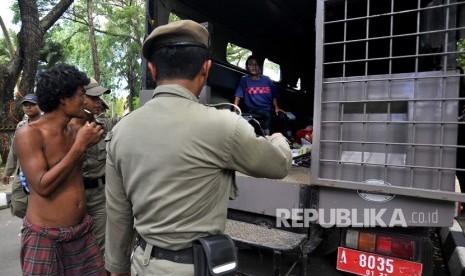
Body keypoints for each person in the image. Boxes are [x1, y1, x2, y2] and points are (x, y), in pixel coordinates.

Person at [104, 20, 292, 276]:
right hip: (196, 268)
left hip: (143, 264)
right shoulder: (224, 126)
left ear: (152, 69)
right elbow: (279, 164)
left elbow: (118, 214)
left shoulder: (120, 132)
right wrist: (278, 138)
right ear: (206, 68)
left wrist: (117, 269)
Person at [14, 64, 106, 275]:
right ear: (63, 98)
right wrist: (79, 147)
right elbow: (42, 186)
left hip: (82, 232)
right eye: (81, 95)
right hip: (45, 237)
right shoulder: (30, 134)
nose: (85, 100)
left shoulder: (74, 129)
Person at [79, 77, 112, 255]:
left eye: (100, 97)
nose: (98, 101)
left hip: (101, 195)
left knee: (103, 247)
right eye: (94, 97)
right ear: (80, 97)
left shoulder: (102, 126)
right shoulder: (67, 127)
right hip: (76, 196)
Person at [234, 55, 293, 140]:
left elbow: (274, 95)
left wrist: (276, 107)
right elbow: (238, 96)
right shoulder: (244, 80)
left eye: (256, 64)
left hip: (268, 108)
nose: (254, 66)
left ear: (260, 67)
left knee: (282, 116)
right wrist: (234, 111)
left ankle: (291, 139)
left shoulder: (267, 79)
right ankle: (266, 139)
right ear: (247, 68)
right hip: (253, 109)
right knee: (267, 115)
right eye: (251, 64)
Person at [2, 94, 42, 218]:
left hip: (41, 174)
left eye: (32, 104)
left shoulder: (47, 124)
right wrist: (7, 172)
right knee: (18, 206)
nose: (28, 107)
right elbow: (14, 151)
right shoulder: (20, 126)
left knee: (40, 207)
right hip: (22, 174)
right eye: (25, 105)